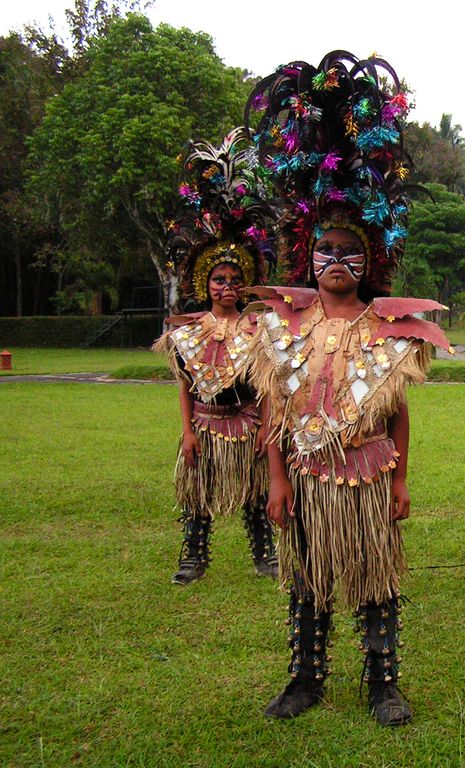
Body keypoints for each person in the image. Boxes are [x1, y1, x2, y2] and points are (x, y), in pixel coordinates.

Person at [246, 51, 451, 725]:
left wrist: (399, 482)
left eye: (351, 252)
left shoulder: (391, 332)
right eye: (326, 251)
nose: (337, 263)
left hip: (366, 475)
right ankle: (304, 679)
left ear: (373, 260)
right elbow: (274, 413)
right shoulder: (282, 328)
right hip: (305, 476)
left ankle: (382, 684)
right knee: (307, 581)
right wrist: (275, 483)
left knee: (374, 579)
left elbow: (397, 419)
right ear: (308, 256)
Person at [153, 128, 278, 586]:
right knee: (198, 496)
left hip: (246, 423)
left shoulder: (259, 329)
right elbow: (185, 385)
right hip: (205, 423)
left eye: (233, 280)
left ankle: (265, 556)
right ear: (205, 283)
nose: (226, 287)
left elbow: (266, 384)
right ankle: (194, 558)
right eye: (218, 280)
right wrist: (187, 431)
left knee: (254, 492)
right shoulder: (188, 334)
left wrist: (266, 424)